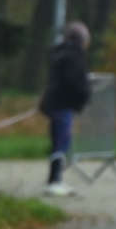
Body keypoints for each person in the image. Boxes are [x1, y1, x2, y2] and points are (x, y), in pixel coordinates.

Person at [40, 21, 91, 197]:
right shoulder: (74, 56)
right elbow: (73, 80)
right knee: (62, 142)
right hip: (63, 104)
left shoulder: (59, 53)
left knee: (58, 141)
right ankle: (55, 180)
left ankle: (55, 179)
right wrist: (85, 94)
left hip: (54, 103)